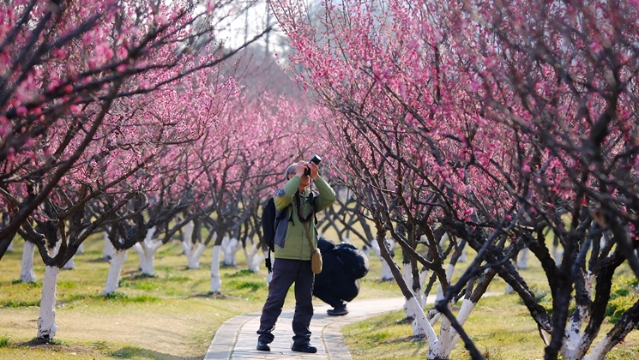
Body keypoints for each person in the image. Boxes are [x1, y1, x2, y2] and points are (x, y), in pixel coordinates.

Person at [256, 159, 336, 353]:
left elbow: (330, 197)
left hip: (307, 259)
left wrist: (316, 177)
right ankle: (264, 337)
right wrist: (298, 175)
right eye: (302, 175)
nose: (305, 178)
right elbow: (283, 197)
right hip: (286, 257)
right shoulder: (281, 196)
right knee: (276, 299)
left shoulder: (310, 198)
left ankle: (301, 341)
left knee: (305, 303)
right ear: (291, 177)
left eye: (306, 175)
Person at [314, 238, 361, 316]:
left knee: (314, 289)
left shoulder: (326, 258)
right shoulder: (337, 253)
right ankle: (339, 305)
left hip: (347, 290)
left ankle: (339, 306)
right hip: (354, 287)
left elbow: (317, 281)